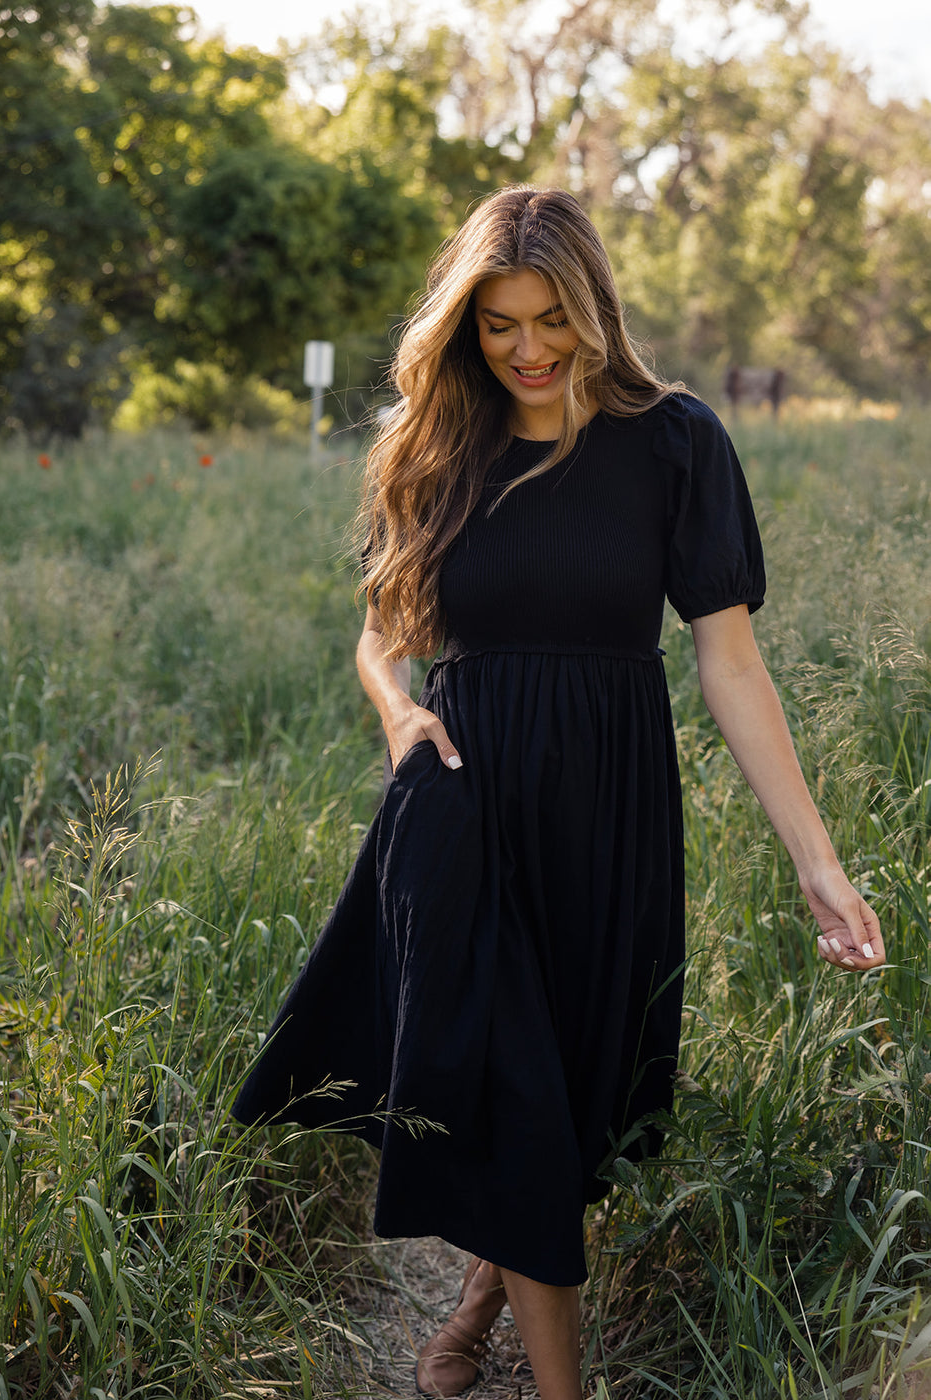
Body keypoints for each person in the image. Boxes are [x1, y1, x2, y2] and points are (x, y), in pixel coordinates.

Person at [232, 186, 885, 1400]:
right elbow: (379, 638)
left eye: (549, 320)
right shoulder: (437, 443)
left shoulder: (676, 441)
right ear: (462, 328)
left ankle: (484, 1284)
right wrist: (398, 711)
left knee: (581, 1099)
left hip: (610, 808)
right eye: (495, 326)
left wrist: (817, 861)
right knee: (518, 1093)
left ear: (596, 310)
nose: (525, 350)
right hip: (464, 804)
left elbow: (727, 659)